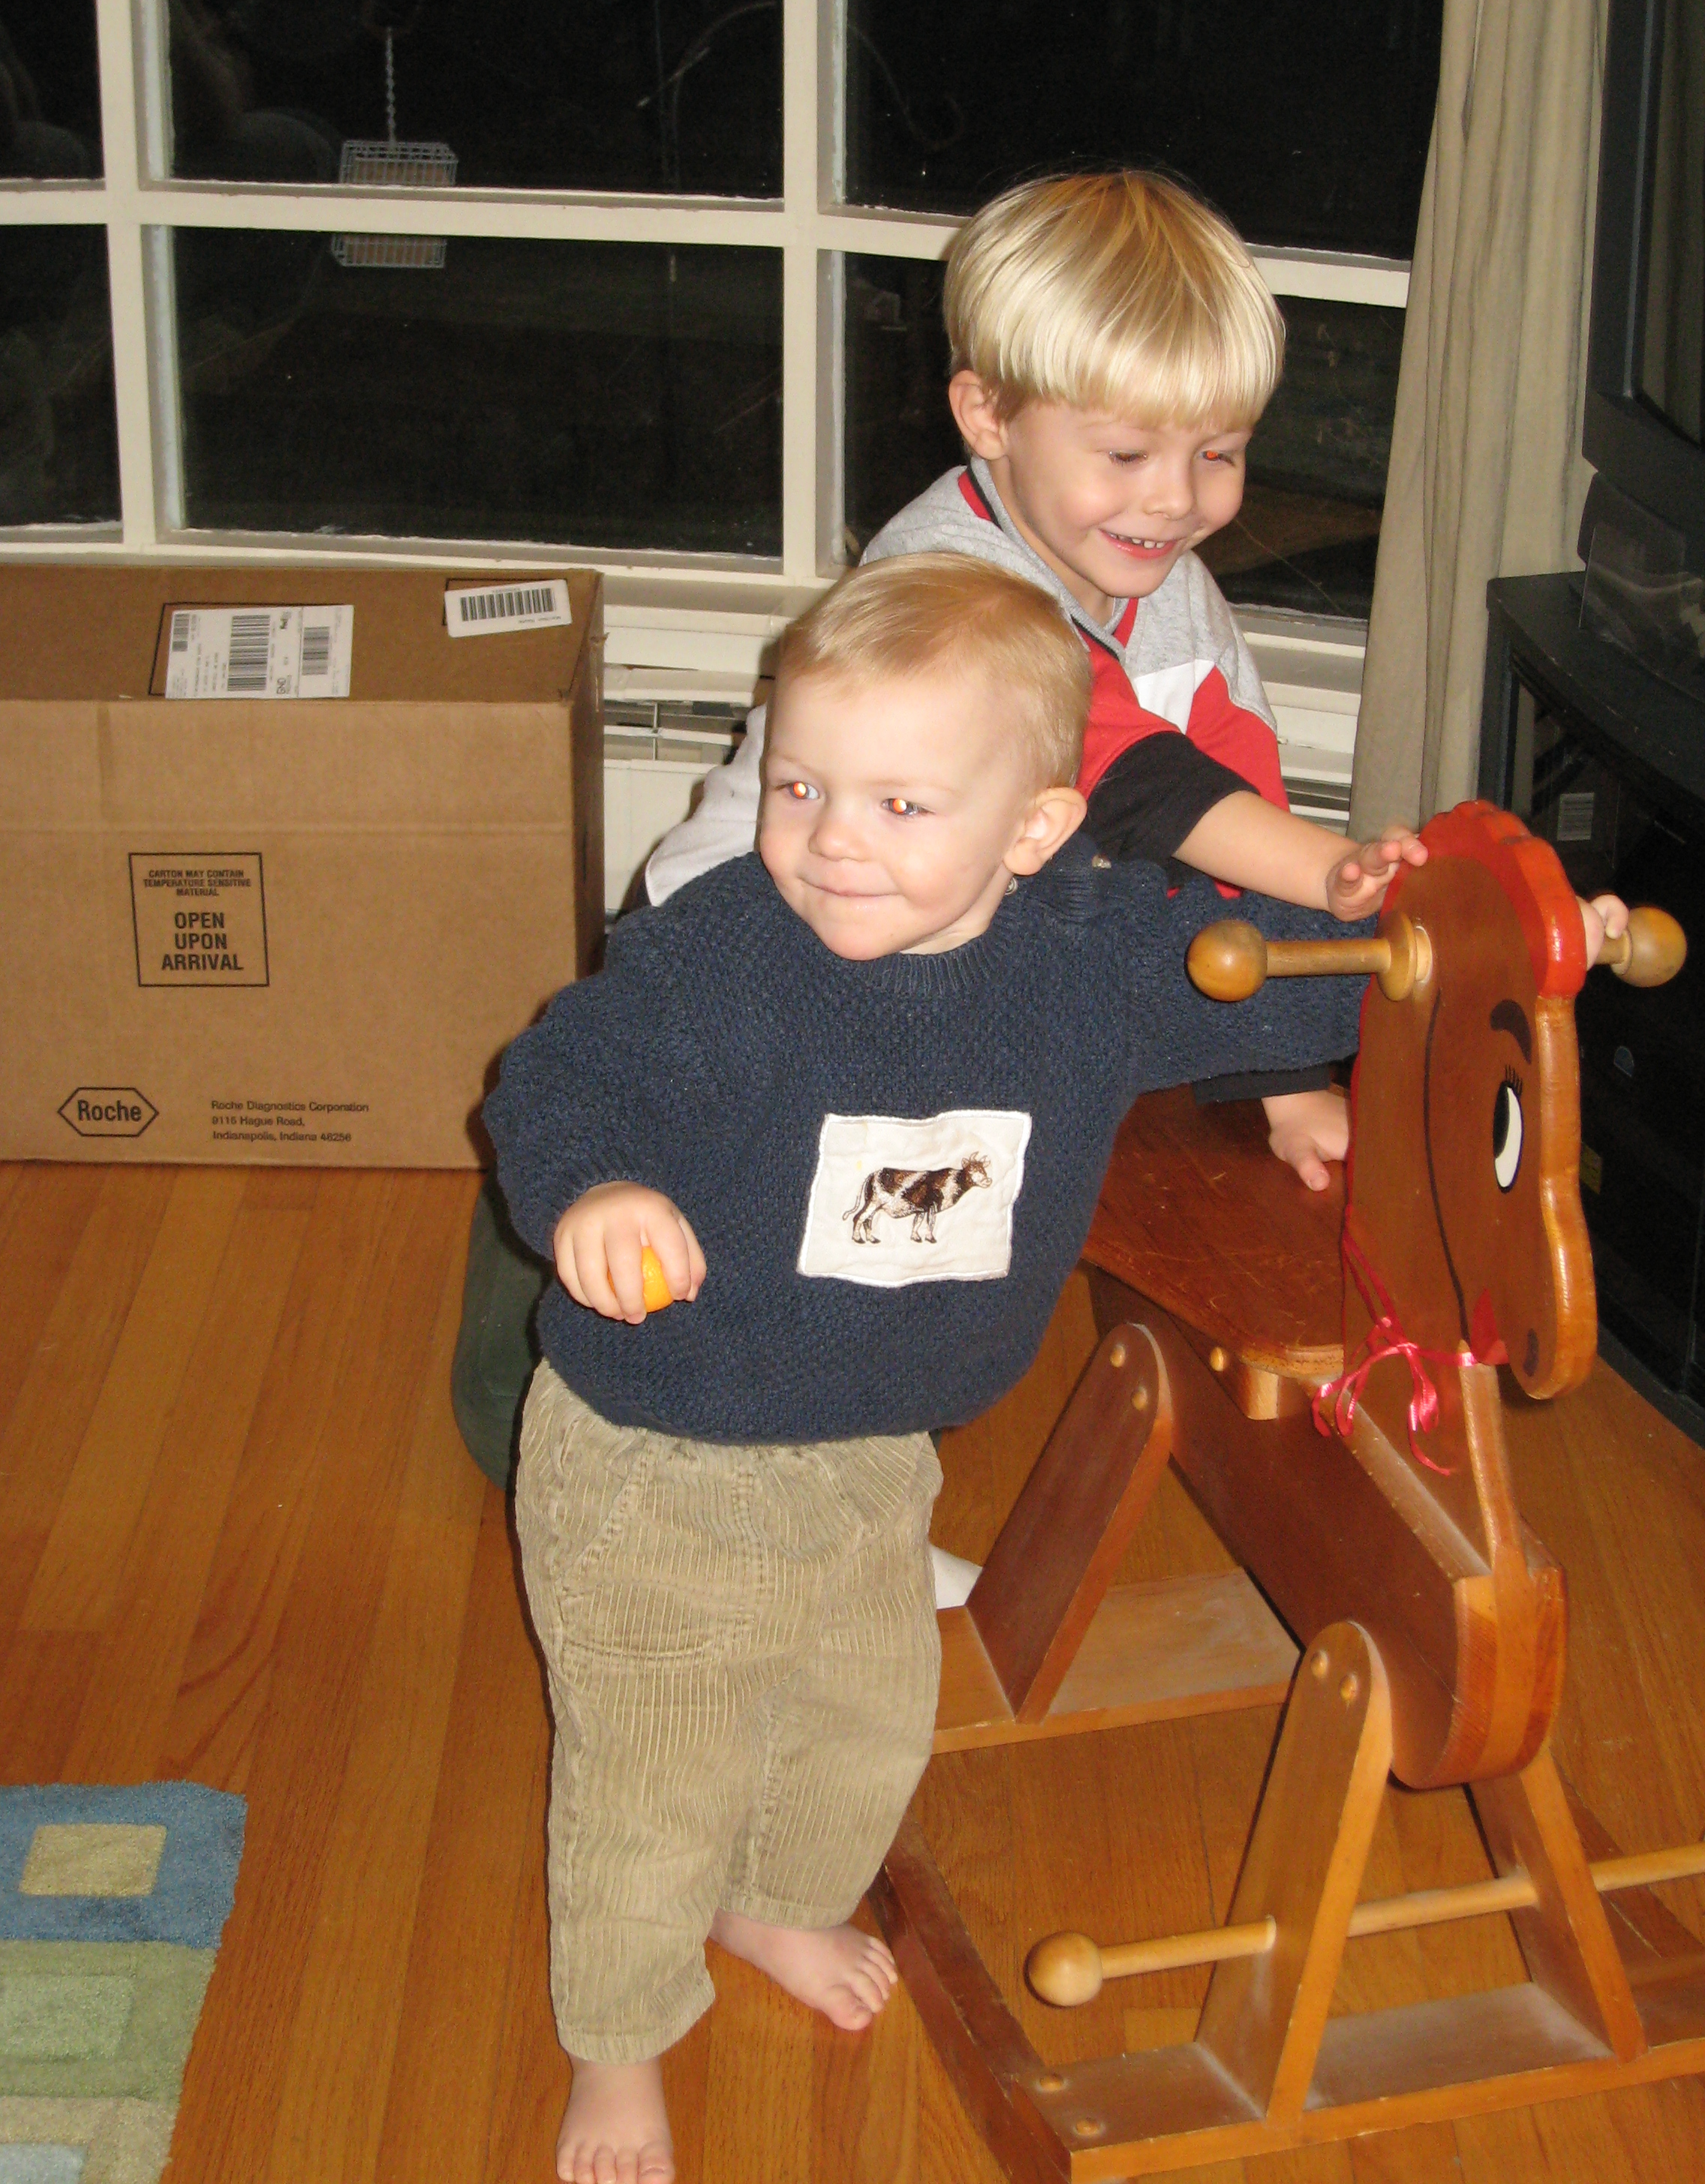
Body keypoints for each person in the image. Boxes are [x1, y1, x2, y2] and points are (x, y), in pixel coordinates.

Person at [484, 553, 1381, 2184]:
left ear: (1034, 833)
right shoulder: (726, 951)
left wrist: (1447, 921)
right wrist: (596, 1191)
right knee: (653, 1782)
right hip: (660, 1455)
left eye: (901, 806)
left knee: (864, 1730)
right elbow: (562, 1073)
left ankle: (769, 1903)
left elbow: (1271, 949)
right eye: (801, 784)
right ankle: (619, 2046)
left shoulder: (1084, 955)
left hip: (877, 1452)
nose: (833, 837)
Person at [644, 169, 1425, 1193]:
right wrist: (1333, 873)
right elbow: (1135, 777)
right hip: (761, 936)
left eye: (1220, 452)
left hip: (946, 920)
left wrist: (1281, 1079)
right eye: (1127, 453)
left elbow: (1238, 815)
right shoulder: (944, 575)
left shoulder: (1176, 592)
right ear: (989, 416)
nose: (1176, 499)